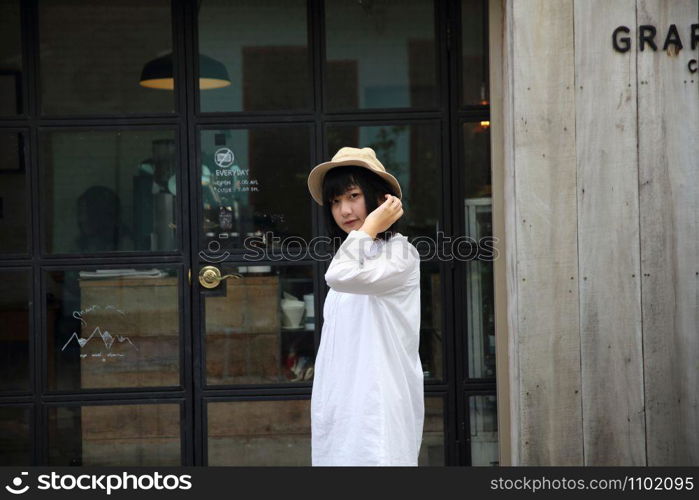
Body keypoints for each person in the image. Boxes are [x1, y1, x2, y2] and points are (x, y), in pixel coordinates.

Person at [307, 146, 424, 466]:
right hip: (343, 407)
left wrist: (372, 225)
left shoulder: (399, 255)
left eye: (353, 196)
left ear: (380, 199)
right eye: (335, 202)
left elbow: (339, 275)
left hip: (376, 408)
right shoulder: (354, 253)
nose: (344, 210)